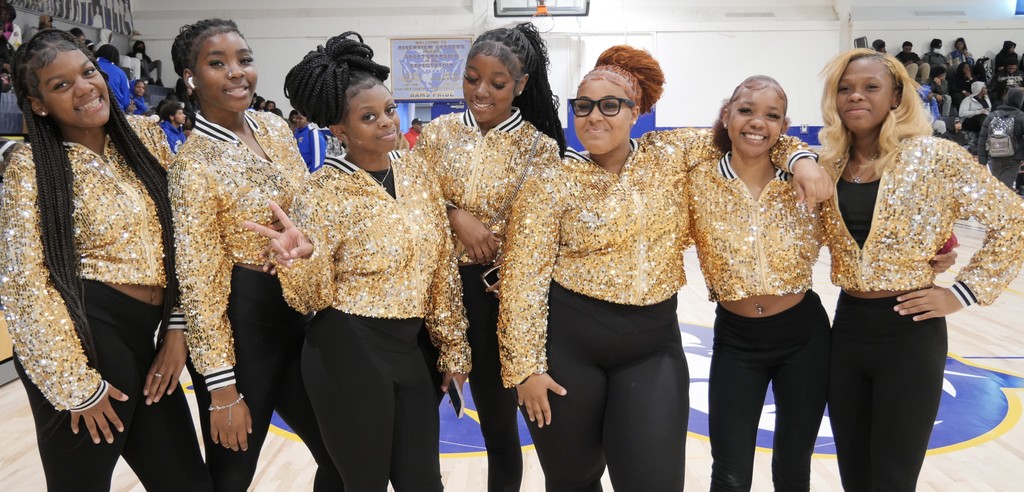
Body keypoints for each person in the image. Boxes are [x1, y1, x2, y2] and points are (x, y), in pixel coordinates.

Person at [499, 45, 827, 492]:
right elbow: (522, 279)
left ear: (636, 112)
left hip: (650, 347)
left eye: (610, 105)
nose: (595, 116)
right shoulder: (550, 180)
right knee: (571, 479)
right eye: (583, 106)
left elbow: (753, 131)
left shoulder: (671, 152)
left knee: (654, 481)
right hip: (569, 347)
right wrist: (525, 368)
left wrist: (800, 159)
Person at [247, 31, 472, 491]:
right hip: (347, 348)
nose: (387, 123)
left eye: (389, 110)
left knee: (423, 482)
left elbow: (441, 267)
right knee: (361, 482)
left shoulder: (415, 171)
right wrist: (302, 260)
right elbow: (310, 298)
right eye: (369, 117)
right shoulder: (320, 191)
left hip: (409, 347)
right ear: (340, 131)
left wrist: (454, 348)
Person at [0, 29, 211, 491]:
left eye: (88, 72)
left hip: (149, 336)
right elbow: (23, 283)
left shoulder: (145, 138)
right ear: (38, 104)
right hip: (83, 342)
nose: (83, 87)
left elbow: (187, 241)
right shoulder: (31, 163)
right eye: (60, 85)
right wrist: (76, 386)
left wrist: (177, 330)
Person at [817, 48, 1024, 492]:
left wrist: (961, 292)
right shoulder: (827, 166)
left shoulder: (934, 157)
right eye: (845, 88)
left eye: (871, 87)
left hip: (910, 330)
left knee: (893, 476)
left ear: (895, 97)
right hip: (848, 328)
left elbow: (1013, 220)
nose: (856, 96)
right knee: (853, 471)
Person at [168, 18, 342, 491]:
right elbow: (198, 279)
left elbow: (305, 206)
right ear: (190, 77)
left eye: (244, 60)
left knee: (343, 456)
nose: (236, 72)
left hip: (299, 314)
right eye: (217, 63)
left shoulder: (272, 126)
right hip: (244, 328)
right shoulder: (192, 165)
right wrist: (222, 388)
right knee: (233, 475)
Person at [410, 22, 567, 492]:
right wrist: (456, 214)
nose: (480, 91)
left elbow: (537, 242)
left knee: (499, 432)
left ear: (519, 86)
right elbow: (407, 200)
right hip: (425, 295)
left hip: (491, 303)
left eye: (497, 84)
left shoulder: (539, 149)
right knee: (416, 424)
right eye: (471, 78)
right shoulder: (437, 133)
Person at [688, 75, 832, 492]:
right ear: (726, 115)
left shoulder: (806, 180)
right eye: (746, 110)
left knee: (793, 467)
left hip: (804, 336)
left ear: (784, 128)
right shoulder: (697, 181)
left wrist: (941, 249)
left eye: (772, 115)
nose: (757, 122)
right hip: (737, 339)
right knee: (729, 472)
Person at [978, 87, 1024, 189]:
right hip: (1013, 159)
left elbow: (982, 139)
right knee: (1006, 190)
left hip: (995, 157)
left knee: (996, 188)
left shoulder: (992, 116)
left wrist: (982, 161)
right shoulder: (1021, 117)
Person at [94, 44, 131, 112]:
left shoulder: (89, 66)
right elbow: (126, 101)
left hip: (92, 111)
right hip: (116, 113)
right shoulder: (121, 73)